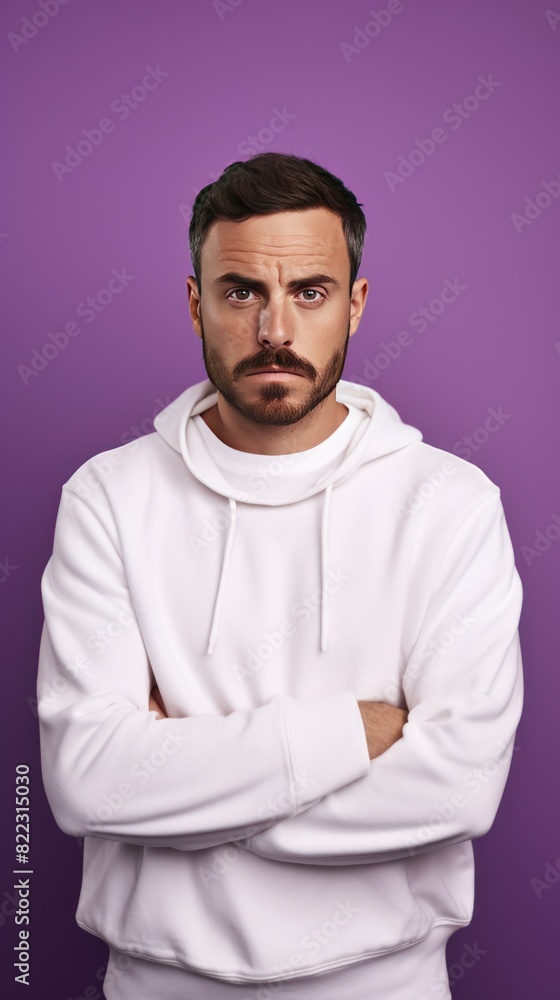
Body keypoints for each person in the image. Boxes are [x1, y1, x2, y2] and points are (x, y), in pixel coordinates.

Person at [37, 152, 524, 1000]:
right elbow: (88, 780)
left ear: (355, 305)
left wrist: (188, 796)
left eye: (309, 292)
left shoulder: (450, 503)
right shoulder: (108, 498)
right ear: (195, 304)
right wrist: (350, 737)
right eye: (240, 293)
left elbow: (461, 788)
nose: (275, 332)